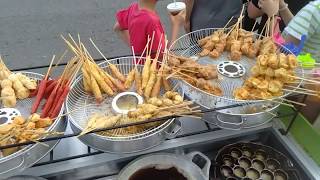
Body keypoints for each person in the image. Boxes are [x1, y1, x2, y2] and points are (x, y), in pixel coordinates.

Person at [113, 0, 184, 57]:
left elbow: (117, 28)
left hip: (140, 69)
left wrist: (136, 50)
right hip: (155, 72)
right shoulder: (151, 21)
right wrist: (176, 25)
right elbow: (167, 58)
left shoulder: (134, 8)